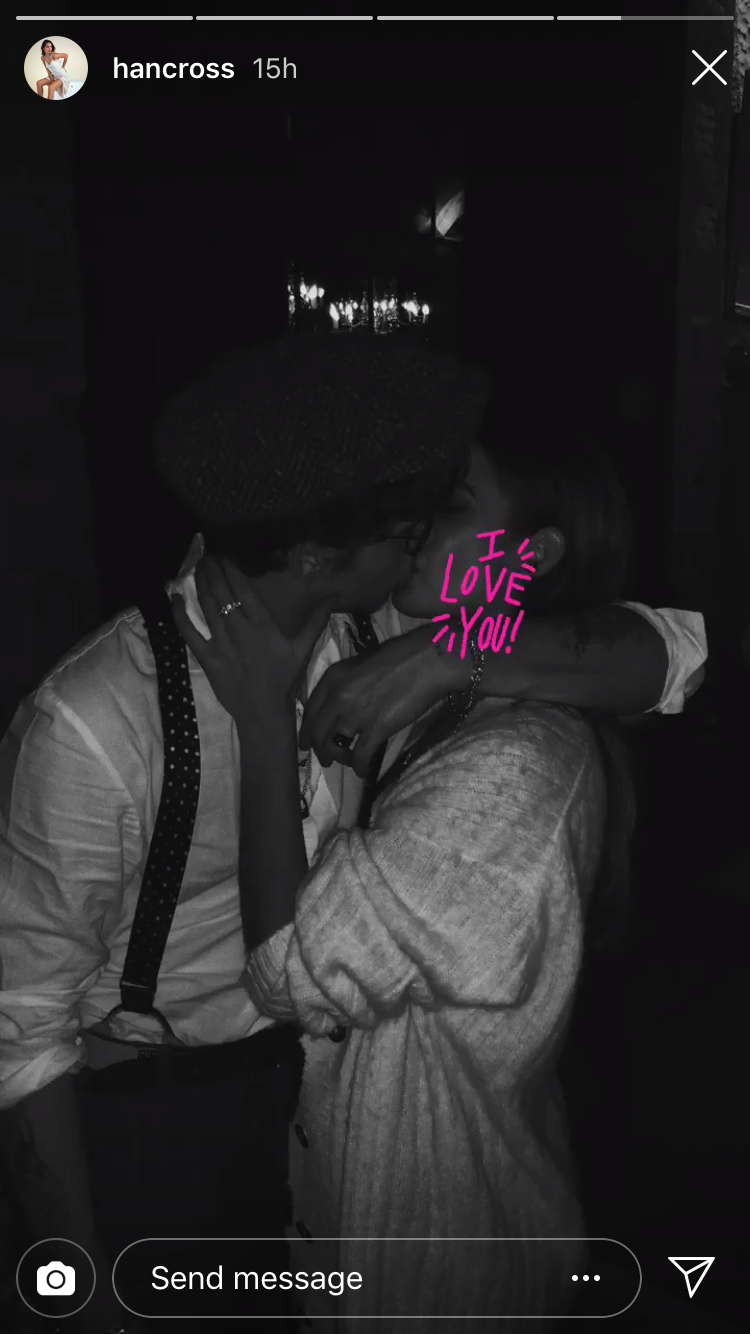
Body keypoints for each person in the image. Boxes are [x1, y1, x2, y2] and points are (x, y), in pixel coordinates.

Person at [0, 336, 705, 1334]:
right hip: (167, 1120)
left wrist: (454, 648)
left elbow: (670, 651)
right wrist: (71, 1293)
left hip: (332, 1121)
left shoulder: (388, 630)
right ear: (316, 553)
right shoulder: (99, 719)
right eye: (416, 517)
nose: (422, 543)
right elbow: (20, 1024)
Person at [173, 415, 654, 1330]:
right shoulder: (443, 660)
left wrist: (264, 719)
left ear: (532, 555)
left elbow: (287, 969)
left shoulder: (515, 769)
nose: (420, 523)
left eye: (454, 504)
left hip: (438, 1250)